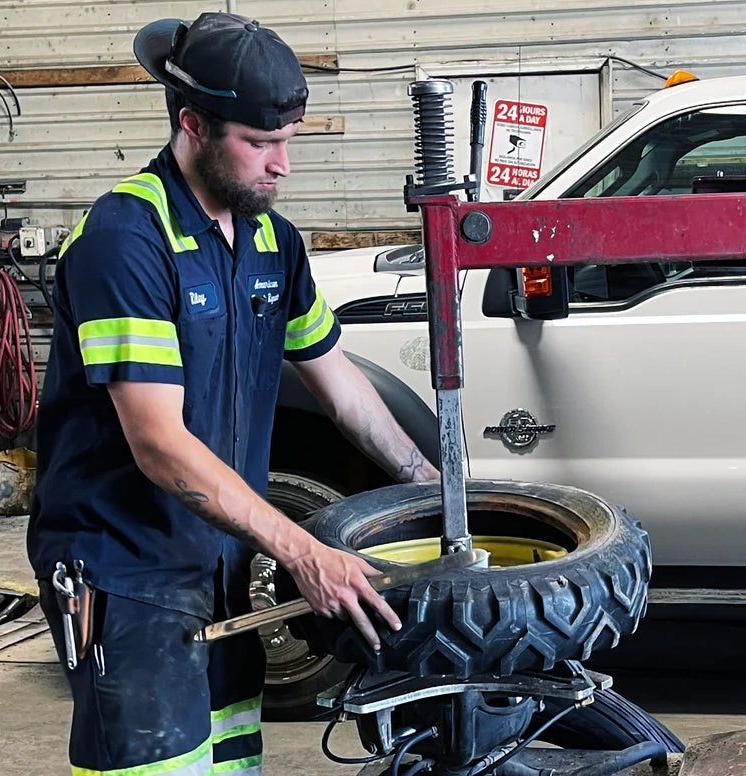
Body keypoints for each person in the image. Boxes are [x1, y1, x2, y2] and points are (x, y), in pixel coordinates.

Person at [27, 11, 439, 776]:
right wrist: (303, 549)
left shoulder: (272, 242)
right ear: (194, 125)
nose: (282, 165)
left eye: (288, 141)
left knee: (230, 758)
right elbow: (158, 443)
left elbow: (343, 388)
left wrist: (433, 490)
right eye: (260, 144)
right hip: (127, 570)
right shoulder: (126, 241)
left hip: (219, 561)